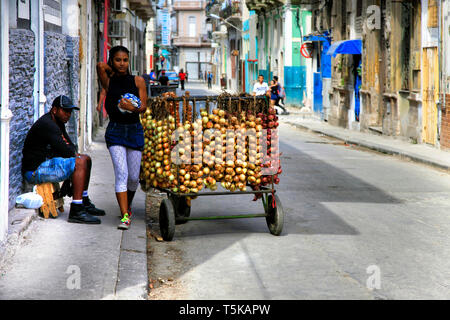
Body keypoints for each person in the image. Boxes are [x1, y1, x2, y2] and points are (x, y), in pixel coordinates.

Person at [21, 95, 104, 224]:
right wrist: (69, 176)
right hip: (34, 171)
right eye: (65, 111)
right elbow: (66, 151)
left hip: (47, 165)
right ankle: (76, 210)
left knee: (86, 159)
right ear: (54, 110)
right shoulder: (48, 124)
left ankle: (84, 201)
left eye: (70, 111)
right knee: (80, 162)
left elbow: (71, 147)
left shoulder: (58, 123)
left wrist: (69, 176)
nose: (68, 114)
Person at [96, 45, 148, 230]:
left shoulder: (138, 81)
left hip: (134, 131)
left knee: (134, 178)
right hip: (115, 132)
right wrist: (112, 69)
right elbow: (100, 66)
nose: (122, 63)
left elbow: (143, 106)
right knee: (122, 174)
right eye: (118, 60)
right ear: (112, 60)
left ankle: (128, 205)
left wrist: (132, 108)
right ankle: (125, 215)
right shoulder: (108, 83)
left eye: (125, 60)